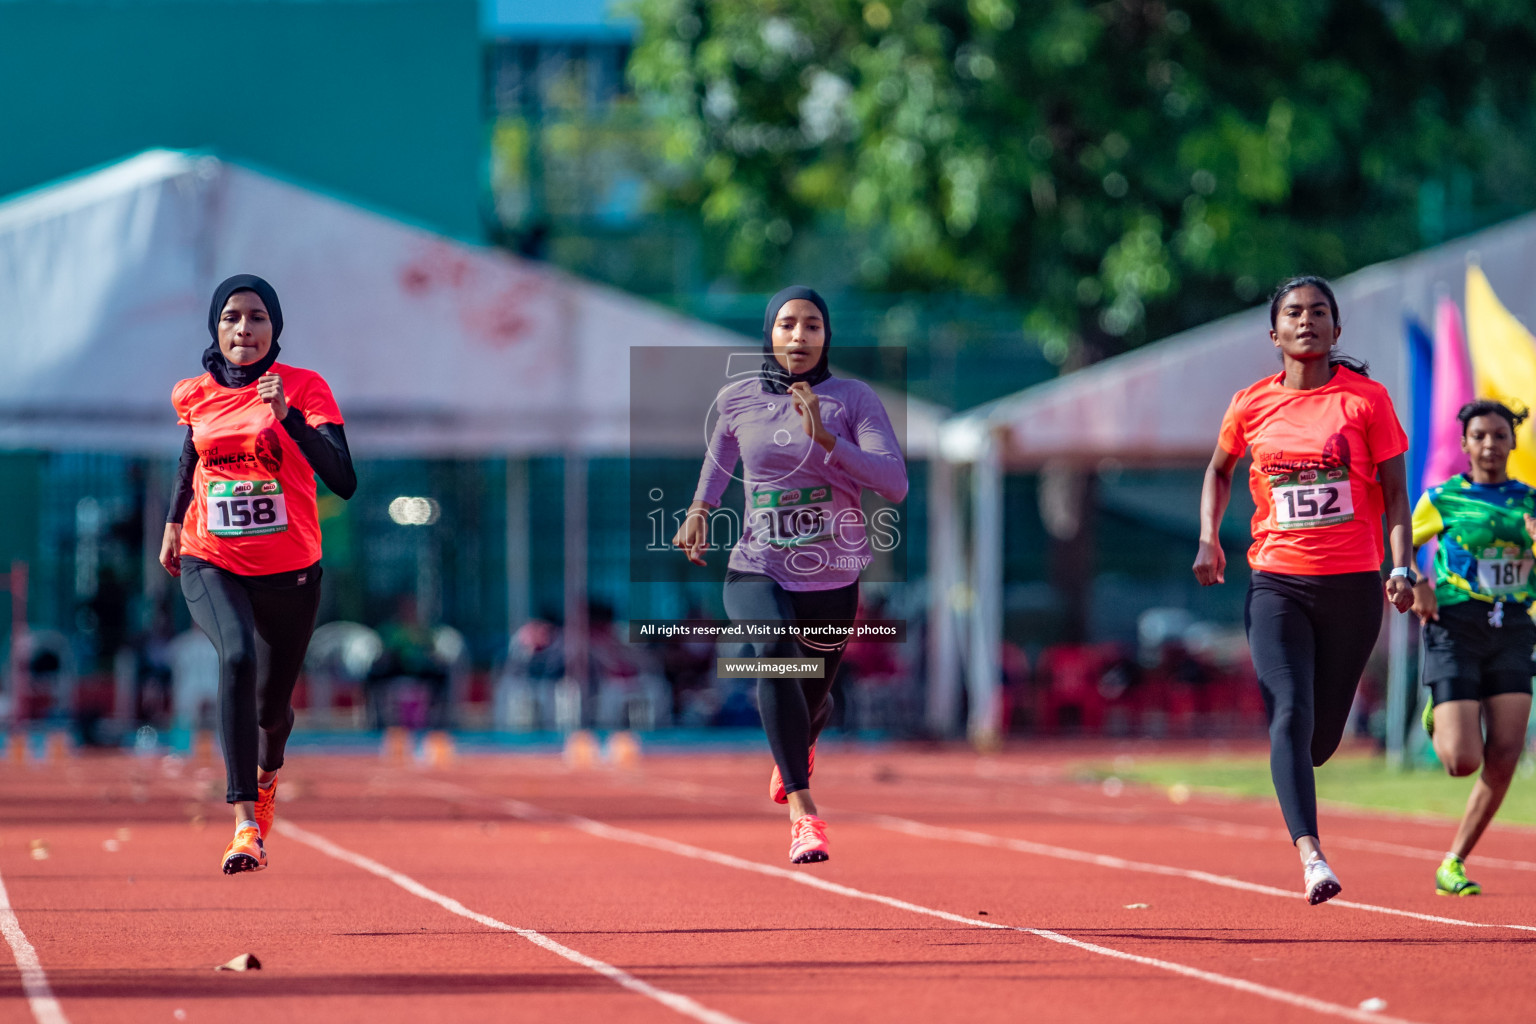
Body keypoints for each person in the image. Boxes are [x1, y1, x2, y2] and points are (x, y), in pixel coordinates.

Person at [1194, 275, 1414, 905]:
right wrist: (1209, 538)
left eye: (1320, 312)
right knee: (1288, 712)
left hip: (1351, 587)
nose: (1307, 321)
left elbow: (1397, 495)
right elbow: (1218, 470)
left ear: (1337, 330)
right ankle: (1311, 855)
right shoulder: (1250, 404)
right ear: (1275, 333)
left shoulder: (1366, 401)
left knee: (1319, 740)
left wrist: (1401, 567)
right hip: (1277, 583)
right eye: (1294, 312)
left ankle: (1308, 772)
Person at [673, 286, 907, 863]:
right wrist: (700, 512)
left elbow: (894, 483)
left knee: (813, 698)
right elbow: (719, 459)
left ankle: (797, 743)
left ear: (827, 337)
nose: (798, 337)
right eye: (786, 325)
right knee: (775, 650)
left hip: (832, 580)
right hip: (756, 568)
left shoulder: (853, 400)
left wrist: (828, 441)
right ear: (769, 334)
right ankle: (806, 815)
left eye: (812, 326)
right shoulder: (738, 399)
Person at [159, 275, 357, 874]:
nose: (244, 329)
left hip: (291, 571)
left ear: (275, 328)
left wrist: (288, 418)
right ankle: (245, 824)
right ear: (216, 329)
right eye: (231, 318)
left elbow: (344, 480)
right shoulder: (191, 393)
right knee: (236, 657)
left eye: (257, 318)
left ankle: (269, 775)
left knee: (273, 711)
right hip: (210, 557)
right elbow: (193, 452)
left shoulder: (304, 388)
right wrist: (173, 521)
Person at [1411, 399, 1536, 896]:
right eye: (1480, 435)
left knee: (1505, 753)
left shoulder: (1531, 501)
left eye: (1499, 435)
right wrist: (1415, 578)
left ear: (1512, 442)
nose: (1490, 444)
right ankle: (1440, 707)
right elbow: (1396, 545)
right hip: (1455, 626)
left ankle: (1453, 861)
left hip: (1514, 629)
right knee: (1462, 762)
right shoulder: (1440, 498)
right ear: (1464, 444)